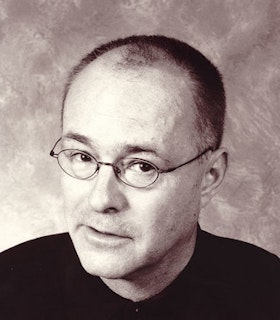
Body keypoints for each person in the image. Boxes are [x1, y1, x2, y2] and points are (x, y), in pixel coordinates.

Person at [0, 35, 279, 320]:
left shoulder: (270, 296)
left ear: (210, 175)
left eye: (142, 166)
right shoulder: (6, 290)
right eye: (83, 157)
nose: (101, 199)